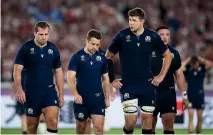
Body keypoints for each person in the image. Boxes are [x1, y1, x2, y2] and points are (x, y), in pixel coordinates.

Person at [105, 7, 172, 134]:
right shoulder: (122, 36)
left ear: (142, 21)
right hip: (128, 85)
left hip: (147, 84)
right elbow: (108, 56)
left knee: (147, 122)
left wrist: (161, 76)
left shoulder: (152, 36)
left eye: (134, 20)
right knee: (130, 124)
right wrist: (112, 79)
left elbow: (167, 55)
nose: (131, 23)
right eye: (130, 20)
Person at [13, 21, 64, 134]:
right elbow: (17, 70)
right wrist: (19, 90)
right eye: (41, 34)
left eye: (46, 34)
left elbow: (58, 72)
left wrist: (61, 94)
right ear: (35, 33)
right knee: (32, 127)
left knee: (53, 120)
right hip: (31, 92)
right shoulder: (25, 48)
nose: (44, 37)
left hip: (49, 91)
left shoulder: (53, 49)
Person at [67, 29, 110, 134]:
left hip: (97, 99)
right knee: (81, 129)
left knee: (99, 128)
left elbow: (105, 79)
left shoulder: (102, 58)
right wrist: (75, 94)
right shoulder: (77, 57)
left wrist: (107, 97)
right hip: (81, 99)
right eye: (93, 44)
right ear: (86, 41)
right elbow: (70, 77)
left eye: (97, 45)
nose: (95, 47)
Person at [151, 25, 188, 134]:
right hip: (150, 93)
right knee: (149, 129)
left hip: (168, 93)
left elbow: (179, 75)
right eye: (161, 35)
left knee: (169, 128)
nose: (165, 37)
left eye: (167, 34)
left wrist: (184, 95)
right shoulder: (148, 52)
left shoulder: (174, 54)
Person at [182, 55, 213, 134]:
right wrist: (188, 59)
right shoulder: (188, 69)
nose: (194, 65)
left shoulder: (202, 68)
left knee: (200, 118)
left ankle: (198, 133)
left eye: (196, 63)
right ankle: (191, 133)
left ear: (198, 63)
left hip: (200, 96)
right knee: (191, 116)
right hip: (190, 96)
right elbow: (181, 67)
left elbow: (211, 64)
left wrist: (201, 59)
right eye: (193, 64)